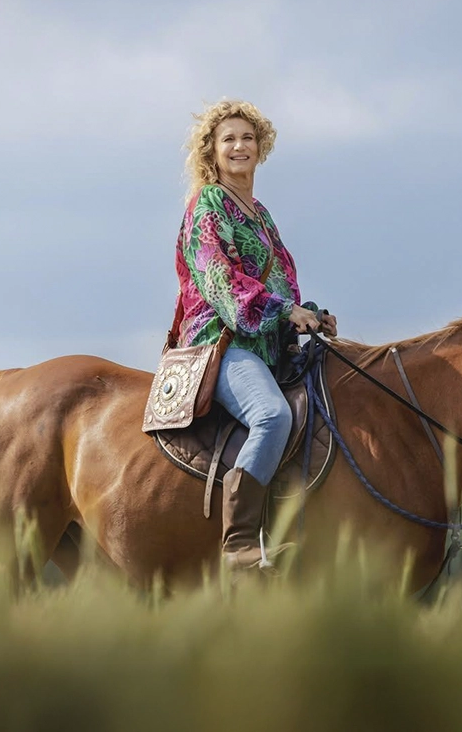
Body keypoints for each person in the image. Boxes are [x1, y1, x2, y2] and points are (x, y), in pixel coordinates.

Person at [174, 99, 337, 571]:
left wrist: (310, 314)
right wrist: (285, 311)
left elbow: (281, 283)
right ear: (212, 151)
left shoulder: (261, 213)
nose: (239, 146)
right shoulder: (206, 206)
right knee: (272, 416)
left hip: (267, 345)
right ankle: (240, 548)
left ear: (260, 147)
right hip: (222, 342)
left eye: (247, 138)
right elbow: (221, 282)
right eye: (228, 139)